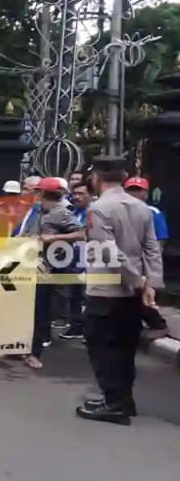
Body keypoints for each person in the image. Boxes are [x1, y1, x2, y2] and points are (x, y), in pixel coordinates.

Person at [76, 156, 164, 425]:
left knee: (103, 347)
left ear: (96, 178)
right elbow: (152, 247)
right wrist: (151, 284)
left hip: (106, 290)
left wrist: (137, 281)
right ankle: (122, 398)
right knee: (125, 348)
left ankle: (114, 404)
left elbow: (108, 253)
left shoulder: (98, 209)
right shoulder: (142, 207)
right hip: (133, 293)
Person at [24, 177, 85, 370]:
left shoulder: (61, 213)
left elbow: (81, 234)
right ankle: (21, 347)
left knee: (40, 310)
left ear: (42, 194)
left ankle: (34, 352)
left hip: (48, 268)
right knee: (26, 310)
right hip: (29, 264)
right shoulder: (38, 212)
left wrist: (54, 237)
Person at [124, 177, 170, 332]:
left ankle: (158, 325)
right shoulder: (120, 210)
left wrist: (151, 263)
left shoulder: (153, 212)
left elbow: (161, 239)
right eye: (131, 190)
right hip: (125, 259)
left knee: (143, 294)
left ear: (146, 193)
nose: (134, 194)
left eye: (138, 190)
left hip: (144, 260)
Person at [58, 181, 93, 342]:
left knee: (89, 297)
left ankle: (90, 329)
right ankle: (76, 327)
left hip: (89, 262)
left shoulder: (94, 213)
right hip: (72, 262)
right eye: (75, 194)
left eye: (81, 194)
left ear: (90, 195)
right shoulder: (73, 213)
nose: (77, 197)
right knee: (74, 296)